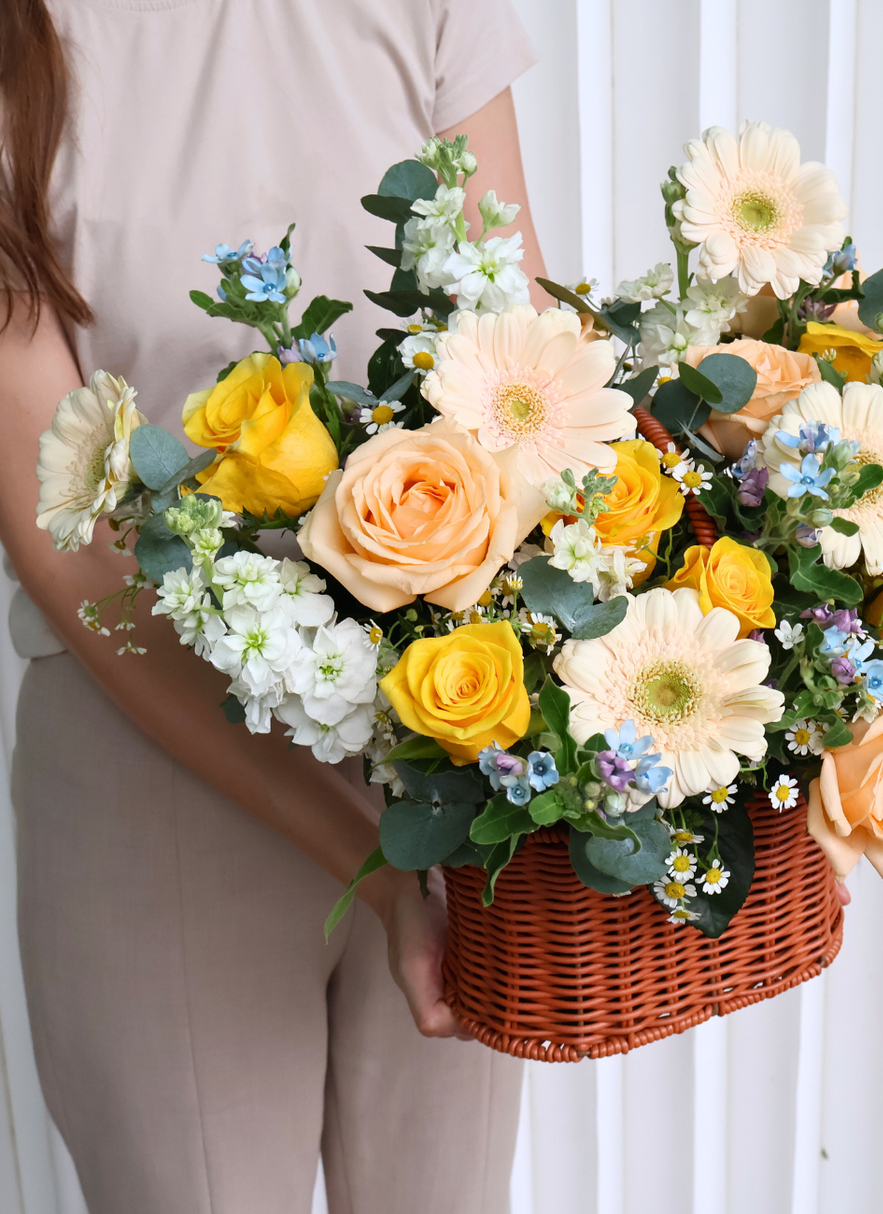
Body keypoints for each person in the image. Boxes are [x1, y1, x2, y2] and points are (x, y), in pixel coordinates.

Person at [0, 2, 547, 1211]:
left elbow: (518, 364)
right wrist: (377, 864)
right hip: (154, 751)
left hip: (444, 741)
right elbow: (69, 548)